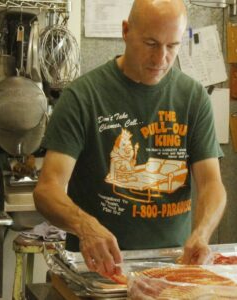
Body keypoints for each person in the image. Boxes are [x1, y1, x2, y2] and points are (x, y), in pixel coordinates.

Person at [33, 0, 226, 279]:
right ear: (126, 31)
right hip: (98, 268)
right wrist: (85, 226)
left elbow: (212, 183)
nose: (161, 59)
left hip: (173, 267)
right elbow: (47, 189)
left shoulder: (193, 98)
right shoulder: (82, 97)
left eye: (172, 46)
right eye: (150, 43)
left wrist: (202, 233)